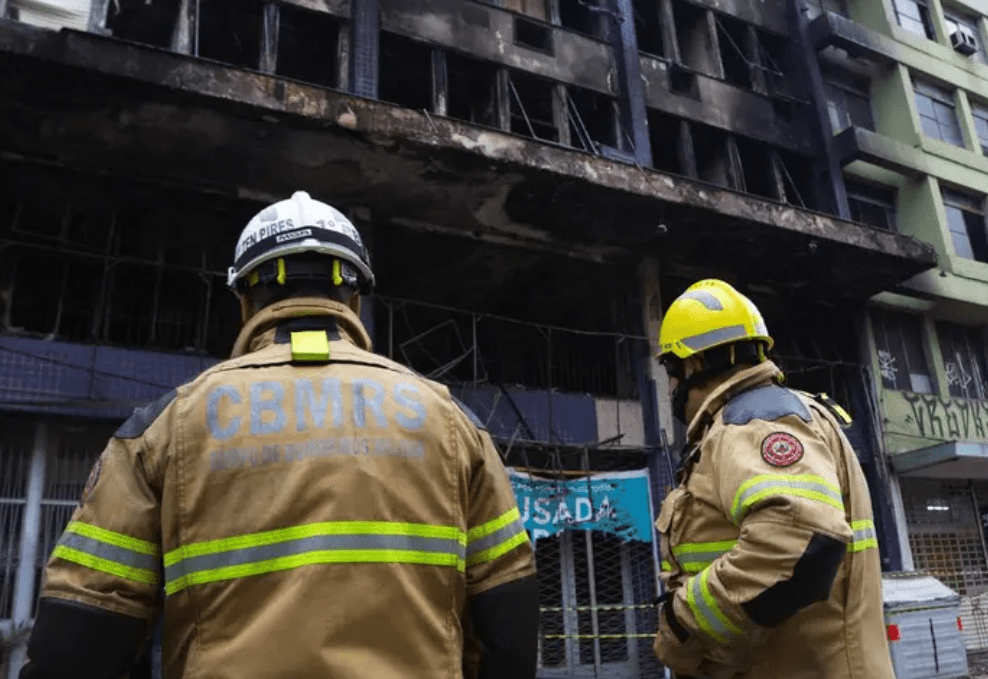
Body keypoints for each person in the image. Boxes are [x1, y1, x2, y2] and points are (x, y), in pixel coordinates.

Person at [19, 191, 539, 679]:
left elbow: (81, 637)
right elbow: (509, 632)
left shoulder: (163, 430)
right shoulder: (452, 424)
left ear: (246, 300)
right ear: (353, 298)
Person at [651, 279, 894, 679]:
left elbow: (798, 543)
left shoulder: (752, 422)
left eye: (671, 371)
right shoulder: (761, 419)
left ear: (692, 366)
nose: (672, 387)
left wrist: (681, 622)